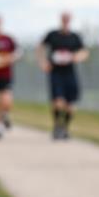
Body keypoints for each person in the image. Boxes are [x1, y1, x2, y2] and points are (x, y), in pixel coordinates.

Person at [38, 12, 88, 140]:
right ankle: (57, 126)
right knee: (58, 101)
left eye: (68, 19)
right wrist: (43, 62)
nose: (65, 21)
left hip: (70, 72)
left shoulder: (75, 37)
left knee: (70, 105)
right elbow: (40, 47)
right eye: (64, 18)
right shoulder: (53, 35)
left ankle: (65, 128)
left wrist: (77, 57)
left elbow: (84, 52)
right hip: (56, 72)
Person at [0, 14, 22, 140]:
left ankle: (5, 115)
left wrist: (10, 58)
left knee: (6, 100)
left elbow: (18, 51)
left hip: (6, 74)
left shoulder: (8, 38)